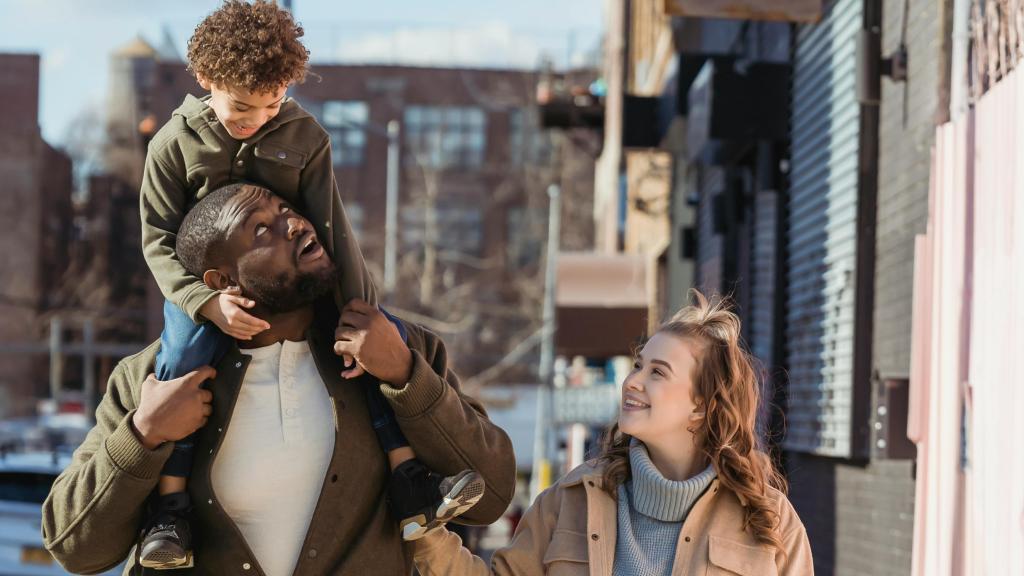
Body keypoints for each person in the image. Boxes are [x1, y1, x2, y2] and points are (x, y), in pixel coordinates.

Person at [137, 1, 481, 568]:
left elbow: (332, 228)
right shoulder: (171, 146)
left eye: (272, 103)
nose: (258, 119)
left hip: (300, 287)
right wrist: (206, 304)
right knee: (180, 362)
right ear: (206, 80)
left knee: (369, 348)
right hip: (204, 293)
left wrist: (361, 311)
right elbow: (156, 242)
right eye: (243, 107)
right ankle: (170, 512)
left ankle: (411, 481)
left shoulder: (303, 134)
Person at [41, 183, 516, 575]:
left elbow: (490, 497)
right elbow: (75, 547)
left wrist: (406, 375)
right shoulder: (153, 379)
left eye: (288, 210)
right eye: (261, 229)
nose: (295, 224)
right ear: (222, 281)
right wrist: (144, 434)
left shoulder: (396, 347)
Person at [412, 291, 814, 576]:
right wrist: (425, 532)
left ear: (702, 405)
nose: (632, 382)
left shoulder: (770, 524)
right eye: (638, 365)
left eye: (657, 372)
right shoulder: (569, 502)